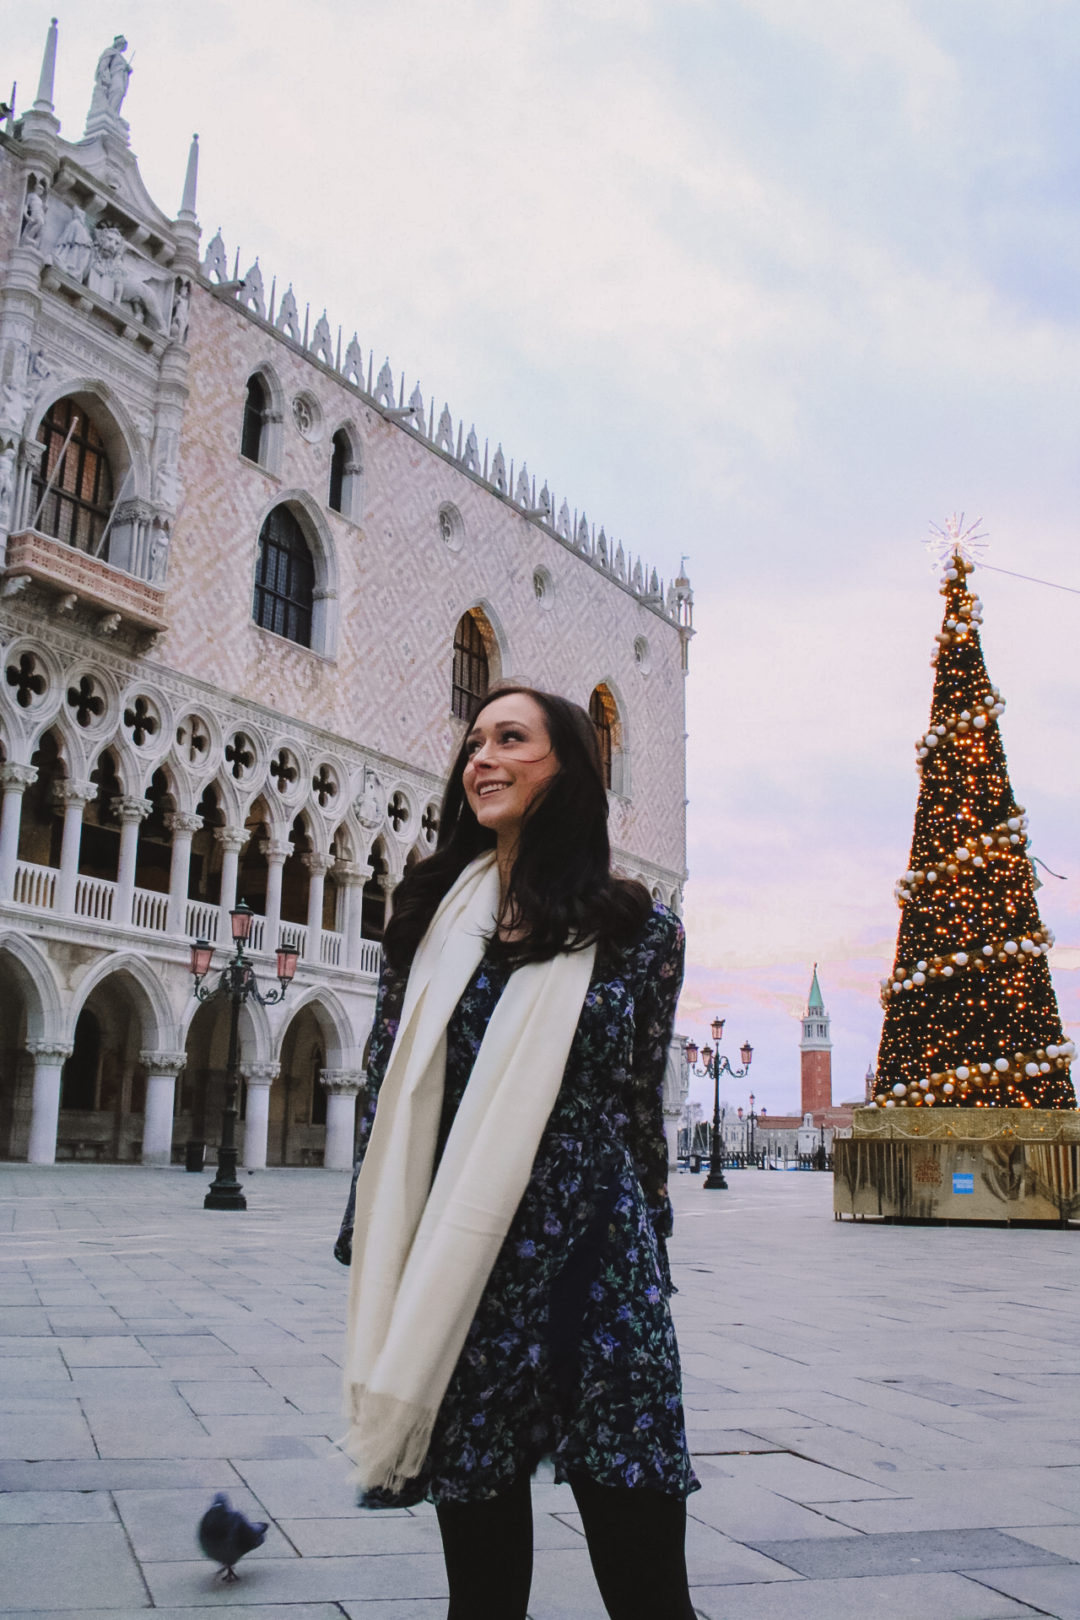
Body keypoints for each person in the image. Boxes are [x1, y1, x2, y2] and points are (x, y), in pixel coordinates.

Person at [336, 685, 698, 1620]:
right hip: (471, 1261)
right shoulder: (427, 920)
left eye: (510, 740)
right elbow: (388, 1085)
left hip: (598, 1261)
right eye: (473, 744)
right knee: (483, 1590)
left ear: (566, 769)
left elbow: (633, 1106)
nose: (481, 759)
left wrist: (652, 1242)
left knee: (646, 1574)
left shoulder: (640, 933)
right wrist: (370, 1233)